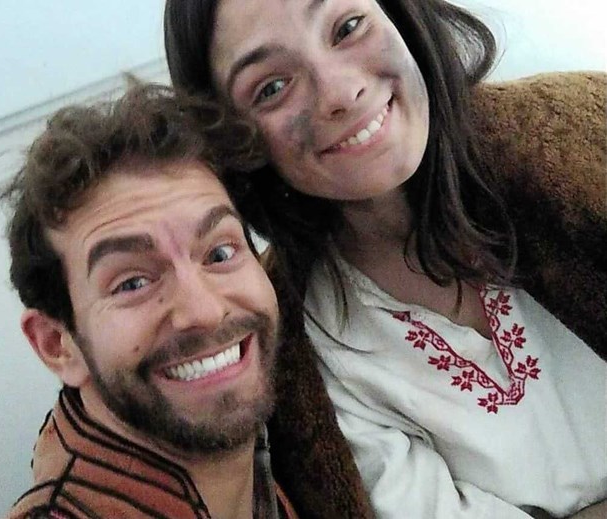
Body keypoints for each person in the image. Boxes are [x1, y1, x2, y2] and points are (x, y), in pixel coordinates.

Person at [163, 0, 607, 517]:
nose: (340, 93)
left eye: (348, 27)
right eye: (273, 86)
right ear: (233, 139)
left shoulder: (582, 136)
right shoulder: (306, 353)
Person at [0, 84, 299, 519]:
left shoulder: (292, 443)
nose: (205, 312)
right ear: (57, 345)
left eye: (220, 253)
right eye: (132, 283)